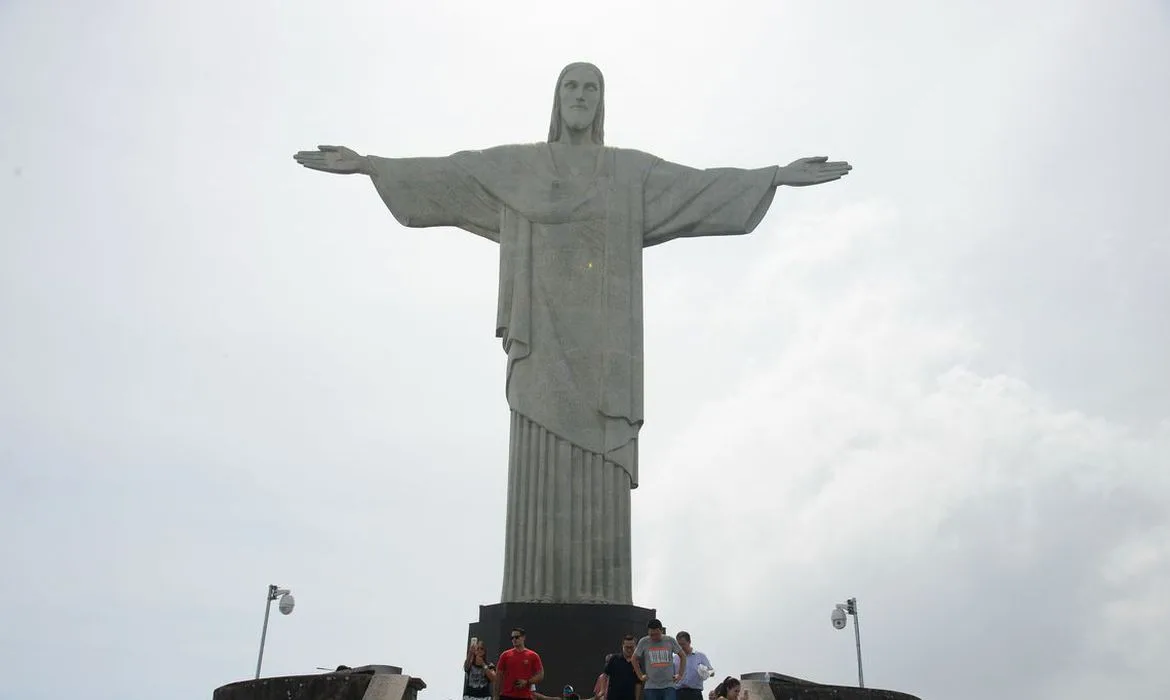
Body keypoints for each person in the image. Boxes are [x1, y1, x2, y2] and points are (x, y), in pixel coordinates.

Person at [293, 63, 852, 608]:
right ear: (557, 99)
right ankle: (531, 594)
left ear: (601, 102)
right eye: (571, 85)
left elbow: (698, 188)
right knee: (537, 450)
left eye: (591, 87)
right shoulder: (519, 168)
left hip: (605, 352)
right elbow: (452, 174)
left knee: (601, 456)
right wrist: (370, 165)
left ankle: (600, 600)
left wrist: (773, 176)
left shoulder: (630, 173)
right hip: (539, 336)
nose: (581, 95)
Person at [632, 619, 685, 700]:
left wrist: (680, 674)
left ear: (661, 631)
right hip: (651, 686)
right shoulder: (644, 641)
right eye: (651, 634)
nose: (654, 637)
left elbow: (683, 656)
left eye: (656, 634)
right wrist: (640, 676)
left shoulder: (669, 640)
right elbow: (634, 658)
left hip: (668, 685)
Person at [496, 627, 544, 700]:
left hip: (525, 696)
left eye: (517, 637)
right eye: (512, 638)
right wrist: (496, 695)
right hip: (506, 696)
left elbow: (540, 675)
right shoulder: (505, 655)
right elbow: (498, 675)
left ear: (523, 637)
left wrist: (527, 682)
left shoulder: (533, 655)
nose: (514, 639)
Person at [671, 632, 712, 700]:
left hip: (695, 693)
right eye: (679, 645)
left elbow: (711, 671)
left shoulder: (700, 656)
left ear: (689, 642)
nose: (681, 647)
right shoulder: (675, 659)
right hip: (678, 693)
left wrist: (706, 672)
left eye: (683, 644)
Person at [598, 635, 640, 700]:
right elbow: (605, 675)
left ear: (635, 647)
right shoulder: (614, 659)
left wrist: (637, 698)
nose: (629, 650)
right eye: (626, 647)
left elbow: (638, 683)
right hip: (613, 696)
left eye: (631, 647)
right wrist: (602, 690)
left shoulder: (637, 663)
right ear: (622, 646)